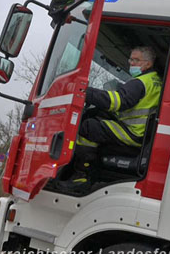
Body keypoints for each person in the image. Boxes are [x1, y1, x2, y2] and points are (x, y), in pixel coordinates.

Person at [64, 46, 162, 190]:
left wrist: (86, 92)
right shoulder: (156, 81)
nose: (131, 63)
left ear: (148, 64)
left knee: (89, 127)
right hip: (143, 134)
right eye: (131, 59)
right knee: (97, 113)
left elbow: (118, 102)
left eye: (136, 60)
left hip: (132, 133)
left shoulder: (139, 83)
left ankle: (81, 175)